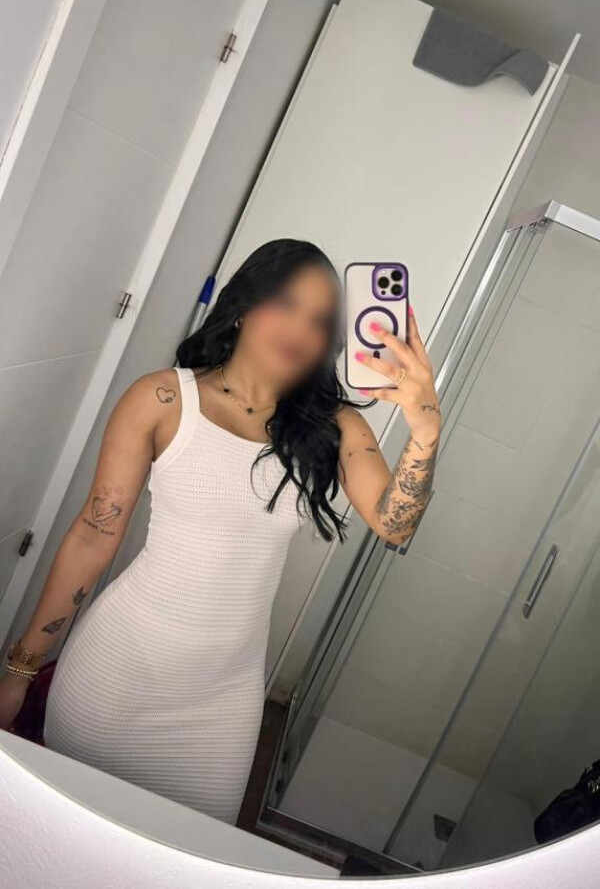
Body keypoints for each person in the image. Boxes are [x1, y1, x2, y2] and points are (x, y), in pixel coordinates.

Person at [0, 239, 441, 825]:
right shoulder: (162, 398)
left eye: (319, 320)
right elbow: (91, 538)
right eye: (285, 303)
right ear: (244, 305)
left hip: (221, 707)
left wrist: (425, 430)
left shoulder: (336, 427)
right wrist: (20, 670)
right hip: (116, 675)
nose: (299, 329)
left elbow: (395, 525)